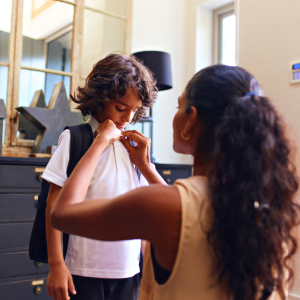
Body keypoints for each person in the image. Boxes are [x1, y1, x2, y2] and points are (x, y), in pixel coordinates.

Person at [51, 65, 299, 300]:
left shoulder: (165, 206)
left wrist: (99, 144)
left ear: (191, 119)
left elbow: (61, 213)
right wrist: (146, 167)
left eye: (178, 107)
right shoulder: (266, 205)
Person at [42, 53, 158, 300]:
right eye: (120, 108)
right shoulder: (75, 138)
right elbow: (53, 203)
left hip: (128, 270)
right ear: (100, 99)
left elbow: (144, 213)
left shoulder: (133, 149)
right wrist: (56, 264)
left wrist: (148, 266)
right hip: (82, 269)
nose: (127, 119)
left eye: (134, 110)